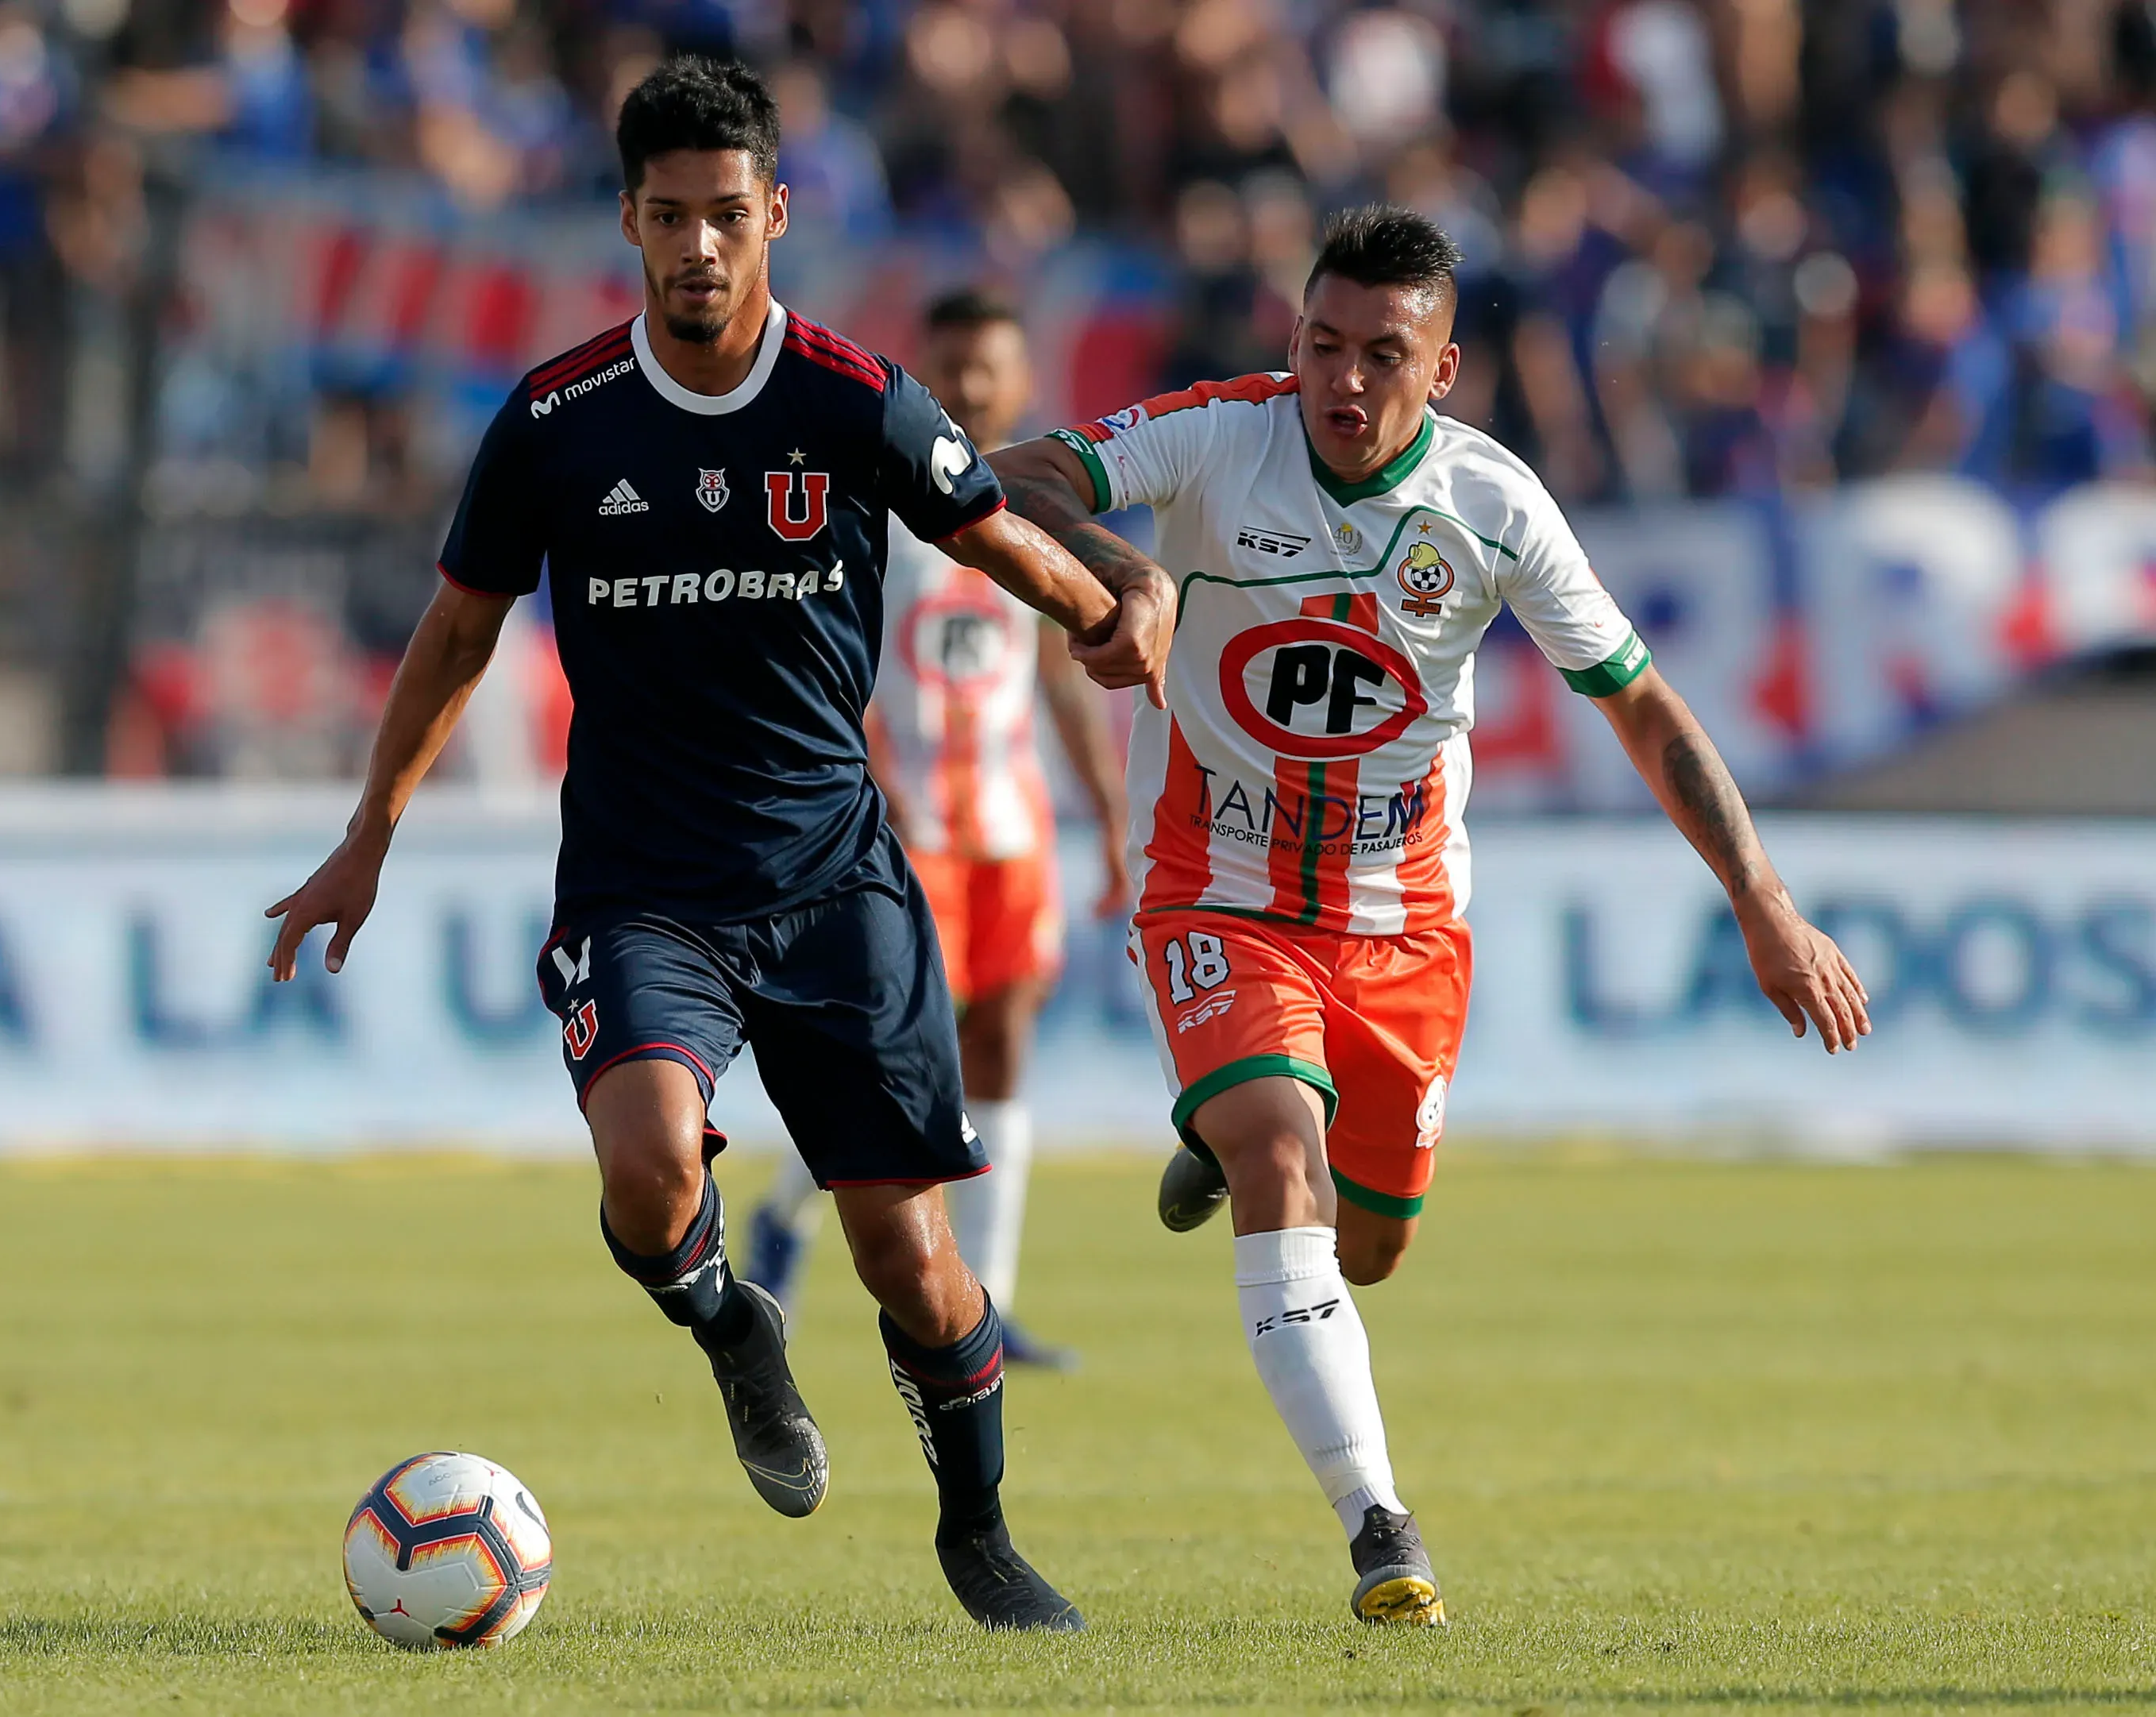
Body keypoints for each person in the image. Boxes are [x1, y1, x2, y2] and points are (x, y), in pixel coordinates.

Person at [264, 56, 1169, 1631]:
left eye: (725, 216)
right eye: (667, 216)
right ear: (626, 218)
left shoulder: (848, 396)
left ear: (776, 215)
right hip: (641, 890)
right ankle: (730, 1325)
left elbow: (990, 529)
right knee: (644, 1163)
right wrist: (368, 837)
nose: (696, 245)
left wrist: (1109, 605)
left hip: (836, 885)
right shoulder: (553, 422)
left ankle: (977, 1530)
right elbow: (454, 637)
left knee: (912, 1259)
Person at [989, 205, 1869, 1627]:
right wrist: (1127, 566)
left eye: (1381, 356)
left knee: (1370, 1244)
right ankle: (1381, 1527)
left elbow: (1638, 703)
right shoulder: (1221, 433)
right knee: (1286, 1162)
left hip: (1404, 926)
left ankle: (1231, 1123)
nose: (1342, 381)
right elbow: (1010, 473)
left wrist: (1763, 900)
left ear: (1442, 368)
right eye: (1320, 344)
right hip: (1219, 888)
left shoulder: (1494, 505)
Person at [742, 291, 1130, 1372]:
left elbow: (1061, 670)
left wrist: (1107, 809)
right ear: (924, 374)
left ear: (1022, 388)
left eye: (987, 372)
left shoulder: (1024, 513)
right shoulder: (882, 507)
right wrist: (863, 774)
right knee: (897, 1061)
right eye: (950, 368)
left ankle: (990, 1301)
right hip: (904, 825)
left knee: (1002, 1039)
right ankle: (786, 1206)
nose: (966, 390)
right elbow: (831, 663)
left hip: (1011, 824)